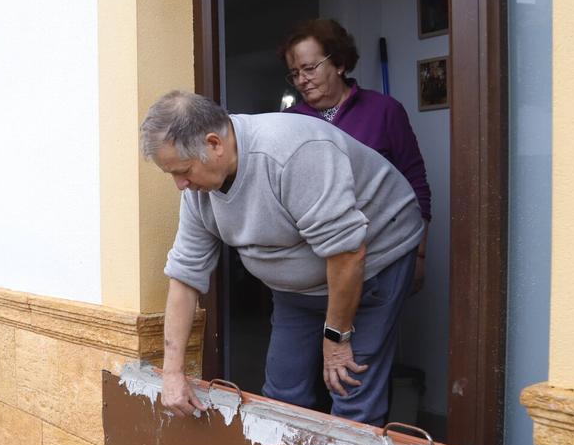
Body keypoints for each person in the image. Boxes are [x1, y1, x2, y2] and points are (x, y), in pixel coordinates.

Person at [140, 91, 423, 426]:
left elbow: (348, 254)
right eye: (171, 174)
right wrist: (172, 374)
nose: (180, 185)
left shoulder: (291, 153)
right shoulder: (198, 193)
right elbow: (185, 277)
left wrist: (336, 338)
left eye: (183, 171)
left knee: (350, 393)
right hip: (297, 289)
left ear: (215, 143)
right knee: (282, 395)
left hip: (373, 263)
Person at [281, 19, 431, 292]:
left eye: (310, 68)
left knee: (372, 335)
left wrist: (419, 252)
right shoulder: (288, 122)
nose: (302, 80)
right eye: (294, 73)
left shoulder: (384, 110)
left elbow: (414, 181)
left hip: (382, 254)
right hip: (313, 263)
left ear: (339, 63)